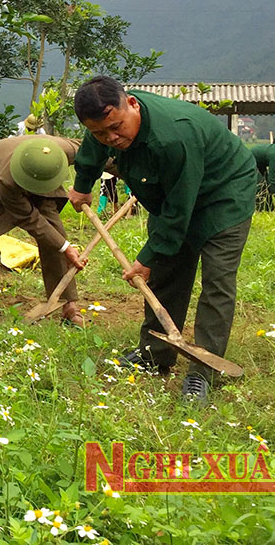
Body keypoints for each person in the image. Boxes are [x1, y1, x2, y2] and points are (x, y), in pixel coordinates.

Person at [69, 76, 256, 403]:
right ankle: (155, 354)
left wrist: (147, 257)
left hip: (224, 193)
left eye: (116, 127)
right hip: (174, 194)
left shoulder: (173, 136)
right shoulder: (105, 127)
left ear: (133, 104)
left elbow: (178, 211)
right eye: (100, 132)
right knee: (167, 272)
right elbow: (92, 150)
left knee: (217, 280)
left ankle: (203, 370)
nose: (111, 138)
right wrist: (83, 183)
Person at [0, 135, 89, 326]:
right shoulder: (5, 180)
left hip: (44, 178)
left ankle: (68, 305)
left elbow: (98, 156)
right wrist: (66, 247)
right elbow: (30, 218)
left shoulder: (64, 150)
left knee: (54, 232)